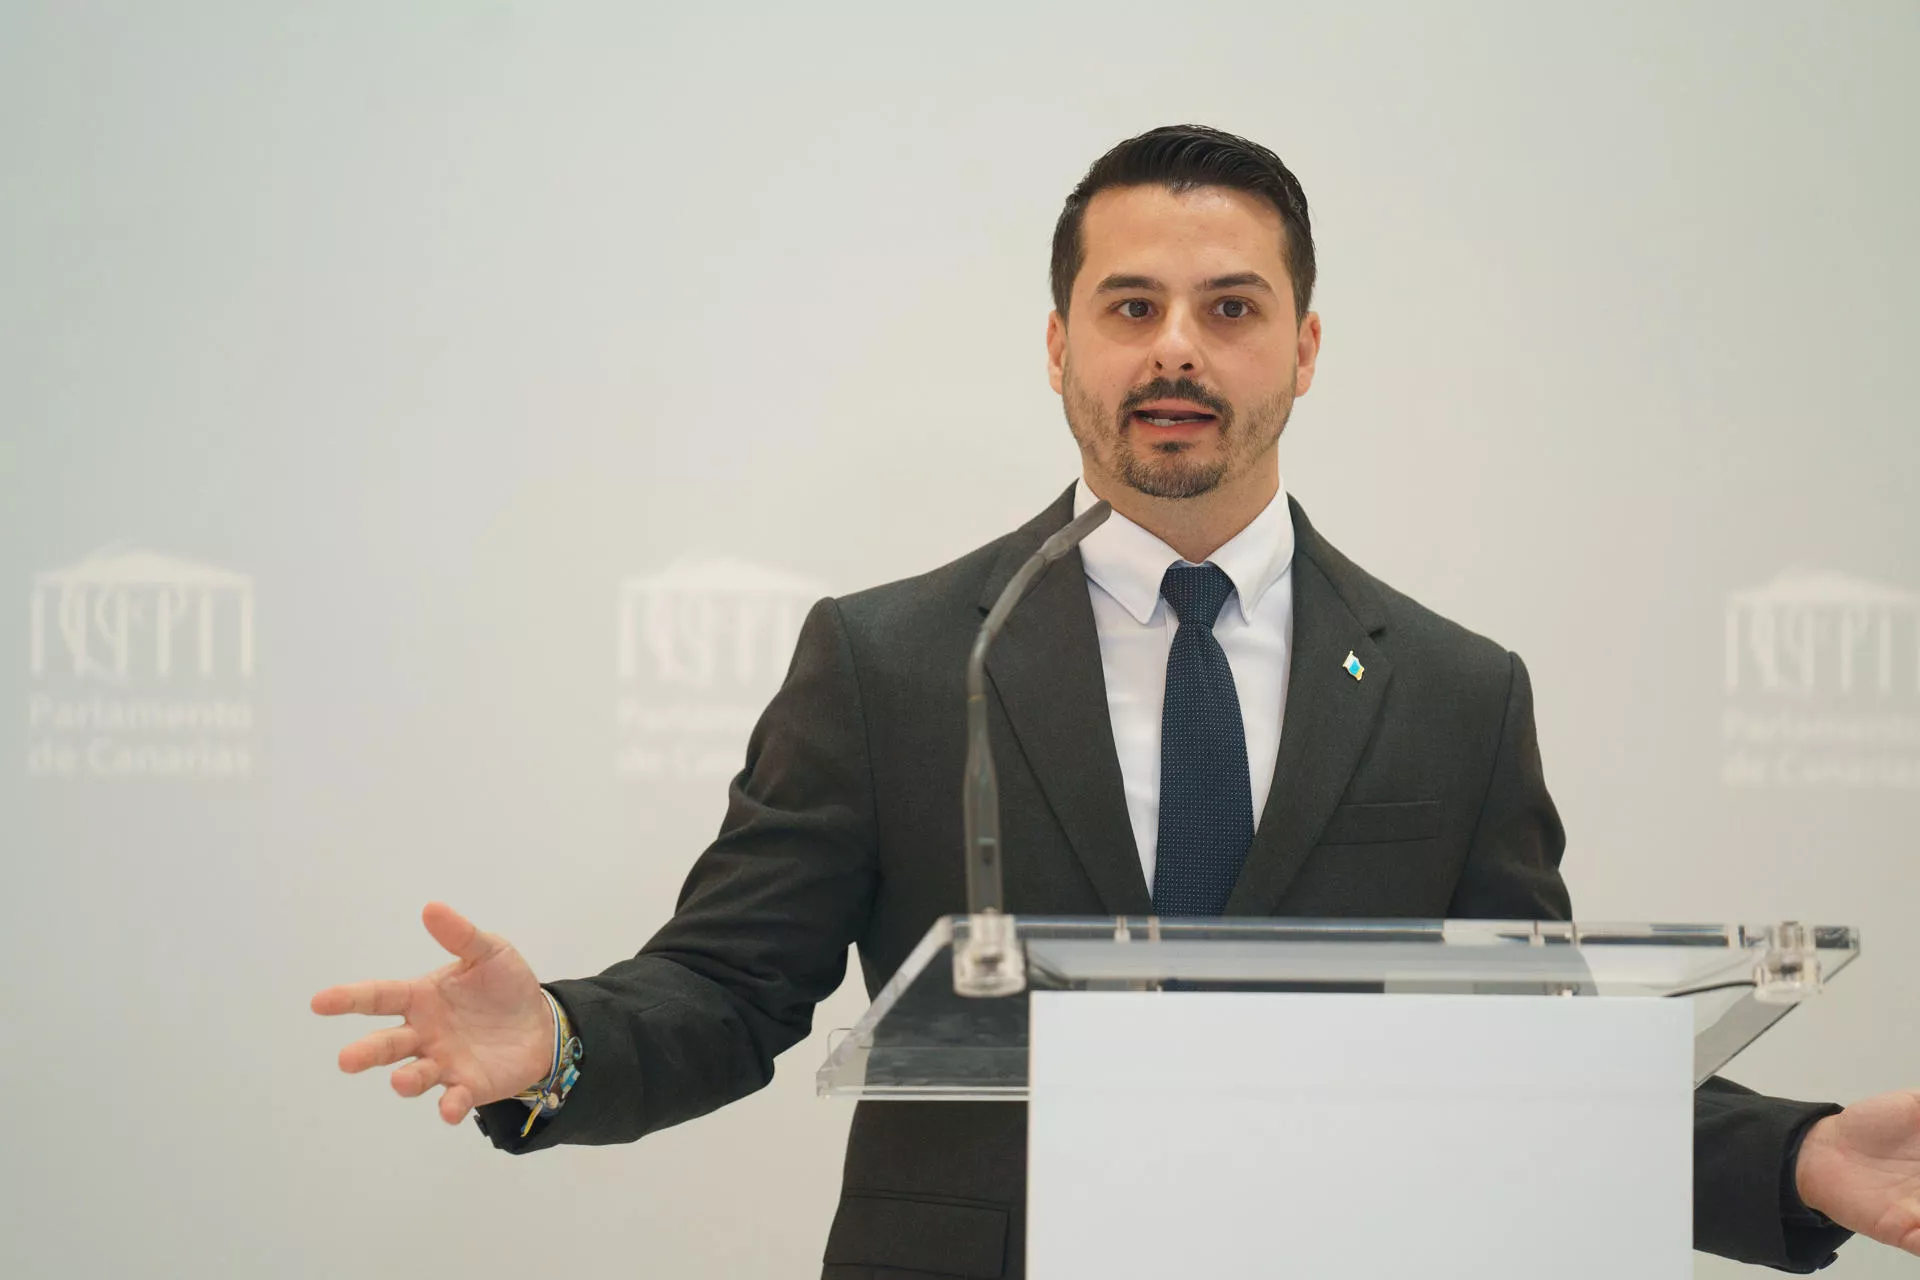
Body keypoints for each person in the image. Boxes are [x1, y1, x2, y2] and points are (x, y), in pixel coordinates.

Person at [311, 124, 1920, 1277]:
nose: (1177, 351)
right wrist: (565, 1042)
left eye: (1229, 309)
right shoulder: (894, 660)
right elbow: (734, 989)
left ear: (1303, 348)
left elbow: (1532, 1057)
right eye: (1130, 306)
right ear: (1060, 346)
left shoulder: (1453, 691)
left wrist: (1788, 1153)